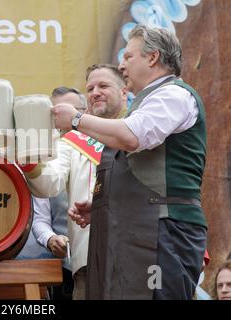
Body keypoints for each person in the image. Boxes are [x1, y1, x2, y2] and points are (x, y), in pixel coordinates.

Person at [54, 25, 207, 299]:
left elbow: (132, 137)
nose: (121, 66)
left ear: (152, 58)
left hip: (165, 233)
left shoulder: (174, 95)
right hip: (141, 232)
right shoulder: (148, 103)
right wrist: (104, 205)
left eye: (128, 57)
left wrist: (77, 119)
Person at [21, 80, 127, 300]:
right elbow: (49, 184)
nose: (96, 93)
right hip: (90, 260)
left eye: (103, 86)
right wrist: (28, 161)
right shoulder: (72, 142)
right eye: (90, 89)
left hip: (140, 252)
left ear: (124, 92)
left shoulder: (144, 130)